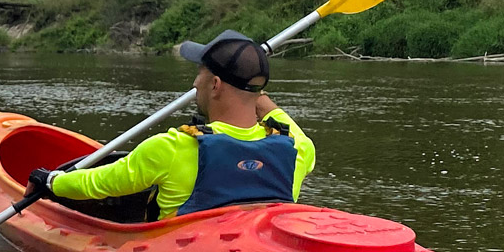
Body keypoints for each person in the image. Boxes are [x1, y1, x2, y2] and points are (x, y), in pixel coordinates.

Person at [26, 31, 315, 221]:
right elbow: (286, 124)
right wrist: (253, 92)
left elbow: (96, 184)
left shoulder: (173, 148)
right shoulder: (294, 151)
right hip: (246, 251)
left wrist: (49, 180)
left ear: (215, 84)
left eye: (199, 74)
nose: (194, 83)